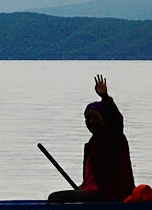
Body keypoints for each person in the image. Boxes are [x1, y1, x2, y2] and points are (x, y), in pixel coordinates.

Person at [48, 74, 135, 203]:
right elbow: (94, 177)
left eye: (95, 117)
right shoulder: (91, 144)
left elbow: (116, 120)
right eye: (87, 118)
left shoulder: (113, 136)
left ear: (105, 119)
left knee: (55, 198)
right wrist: (82, 187)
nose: (91, 121)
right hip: (95, 194)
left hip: (110, 196)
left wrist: (105, 97)